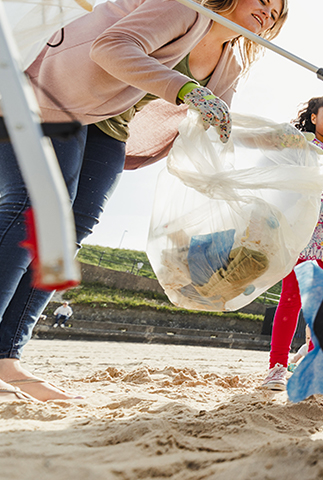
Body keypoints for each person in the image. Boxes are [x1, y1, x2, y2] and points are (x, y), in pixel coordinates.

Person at [0, 0, 287, 402]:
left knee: (70, 231)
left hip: (109, 122)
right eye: (264, 1)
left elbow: (215, 124)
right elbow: (110, 47)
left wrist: (276, 139)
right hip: (52, 92)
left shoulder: (230, 64)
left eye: (276, 14)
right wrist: (186, 89)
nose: (268, 14)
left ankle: (6, 357)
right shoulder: (183, 8)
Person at [261, 97, 323, 391]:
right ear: (313, 117)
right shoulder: (300, 145)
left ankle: (314, 368)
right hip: (301, 237)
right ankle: (277, 367)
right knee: (290, 300)